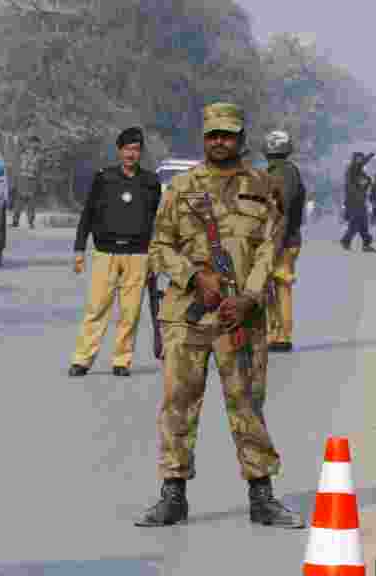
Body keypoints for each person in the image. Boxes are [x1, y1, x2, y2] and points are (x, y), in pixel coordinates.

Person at [134, 102, 304, 529]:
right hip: (186, 318)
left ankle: (262, 495)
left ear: (241, 138)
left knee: (247, 403)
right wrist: (193, 278)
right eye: (213, 134)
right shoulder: (181, 188)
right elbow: (159, 247)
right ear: (204, 138)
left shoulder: (263, 186)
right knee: (177, 404)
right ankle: (173, 494)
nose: (220, 141)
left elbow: (271, 247)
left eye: (227, 134)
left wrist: (248, 297)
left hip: (240, 319)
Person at [68, 127, 161, 377]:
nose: (131, 154)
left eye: (136, 150)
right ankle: (82, 359)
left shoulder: (151, 182)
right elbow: (87, 214)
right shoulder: (104, 178)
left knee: (130, 312)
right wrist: (79, 249)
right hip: (105, 253)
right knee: (96, 308)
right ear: (119, 151)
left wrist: (157, 254)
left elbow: (158, 222)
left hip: (138, 254)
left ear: (140, 153)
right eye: (127, 149)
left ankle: (122, 360)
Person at [262, 130, 306, 352]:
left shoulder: (282, 173)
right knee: (277, 286)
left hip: (281, 239)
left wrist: (273, 240)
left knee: (277, 285)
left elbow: (281, 210)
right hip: (286, 237)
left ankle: (279, 335)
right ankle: (277, 333)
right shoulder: (287, 171)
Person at [340, 151, 375, 251]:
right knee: (355, 224)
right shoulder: (351, 170)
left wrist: (367, 182)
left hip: (360, 201)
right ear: (354, 159)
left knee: (363, 223)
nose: (360, 161)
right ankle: (346, 241)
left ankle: (366, 244)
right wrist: (362, 184)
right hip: (353, 202)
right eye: (358, 158)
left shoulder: (359, 170)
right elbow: (353, 187)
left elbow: (366, 181)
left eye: (361, 158)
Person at [14, 135, 41, 228]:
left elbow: (39, 170)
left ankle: (30, 222)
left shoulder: (38, 155)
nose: (36, 145)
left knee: (30, 202)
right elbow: (17, 166)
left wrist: (39, 182)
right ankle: (16, 221)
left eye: (37, 143)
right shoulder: (23, 153)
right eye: (34, 143)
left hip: (32, 180)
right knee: (20, 200)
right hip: (23, 179)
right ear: (30, 143)